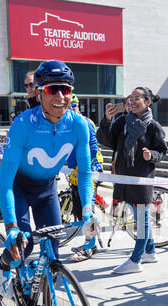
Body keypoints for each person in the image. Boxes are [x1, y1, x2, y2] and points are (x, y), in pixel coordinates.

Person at [0, 60, 94, 298]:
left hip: (47, 188)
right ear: (39, 94)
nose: (61, 95)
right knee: (23, 244)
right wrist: (10, 227)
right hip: (18, 186)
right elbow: (5, 181)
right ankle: (1, 267)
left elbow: (86, 172)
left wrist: (88, 210)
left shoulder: (79, 124)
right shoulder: (23, 124)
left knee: (54, 251)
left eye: (66, 89)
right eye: (52, 89)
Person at [97, 86, 167, 274]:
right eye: (130, 98)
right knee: (139, 217)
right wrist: (107, 120)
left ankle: (135, 260)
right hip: (123, 178)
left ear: (148, 102)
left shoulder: (153, 126)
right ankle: (150, 252)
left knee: (142, 221)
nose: (132, 101)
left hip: (142, 180)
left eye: (137, 98)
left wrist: (150, 155)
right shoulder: (122, 122)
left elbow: (162, 151)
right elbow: (105, 140)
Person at [67, 93, 104, 261]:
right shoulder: (66, 123)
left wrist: (82, 165)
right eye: (68, 106)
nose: (71, 109)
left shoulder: (85, 122)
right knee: (80, 208)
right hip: (76, 171)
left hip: (90, 168)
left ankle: (91, 245)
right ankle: (89, 241)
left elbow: (93, 146)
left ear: (78, 106)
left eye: (74, 106)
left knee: (87, 209)